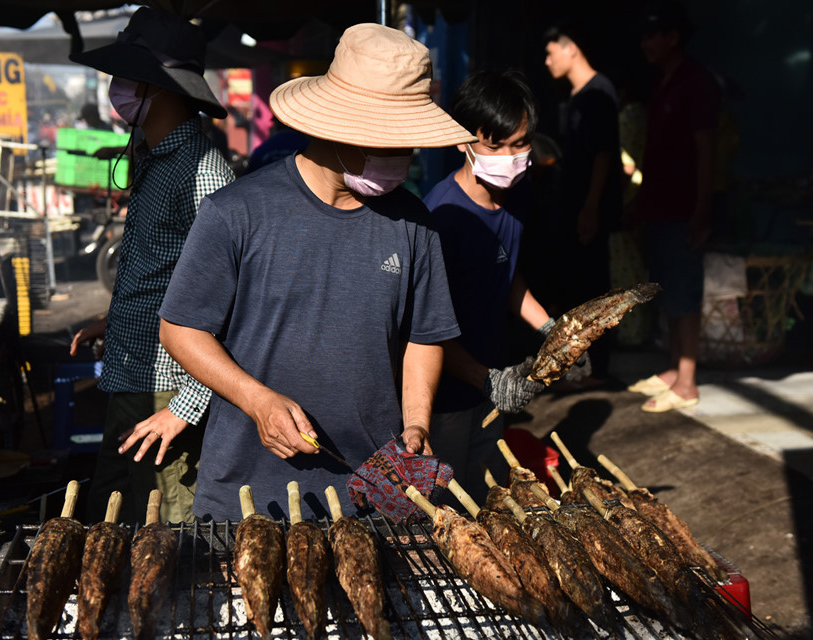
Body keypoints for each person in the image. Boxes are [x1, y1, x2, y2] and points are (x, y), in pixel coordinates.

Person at [124, 24, 542, 522]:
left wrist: (417, 423)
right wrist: (256, 401)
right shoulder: (236, 211)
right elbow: (180, 329)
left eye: (410, 144)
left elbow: (424, 336)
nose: (404, 159)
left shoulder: (414, 222)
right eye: (390, 143)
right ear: (337, 126)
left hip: (373, 495)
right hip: (248, 497)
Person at [67, 7, 234, 525]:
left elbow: (232, 305)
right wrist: (113, 320)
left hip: (170, 389)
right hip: (131, 375)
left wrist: (185, 407)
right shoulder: (152, 156)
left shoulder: (203, 172)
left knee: (166, 537)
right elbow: (163, 271)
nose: (116, 89)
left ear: (156, 87)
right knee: (110, 525)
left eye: (125, 77)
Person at [421, 69, 549, 504]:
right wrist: (487, 380)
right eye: (494, 146)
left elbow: (505, 274)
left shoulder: (515, 196)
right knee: (446, 512)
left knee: (490, 502)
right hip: (445, 402)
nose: (509, 158)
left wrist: (552, 329)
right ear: (462, 140)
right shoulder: (441, 219)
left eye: (520, 143)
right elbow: (425, 328)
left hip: (490, 391)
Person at [627, 0, 720, 412]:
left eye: (653, 36)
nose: (645, 44)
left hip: (684, 208)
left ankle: (687, 381)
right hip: (659, 207)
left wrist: (702, 209)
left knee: (685, 291)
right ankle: (673, 367)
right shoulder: (663, 82)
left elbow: (706, 149)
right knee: (666, 288)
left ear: (673, 38)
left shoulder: (696, 82)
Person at [543, 21, 624, 387]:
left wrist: (591, 207)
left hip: (587, 212)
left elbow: (605, 155)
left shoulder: (599, 93)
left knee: (592, 288)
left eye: (550, 53)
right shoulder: (578, 95)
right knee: (573, 287)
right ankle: (580, 367)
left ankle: (596, 370)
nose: (547, 61)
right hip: (572, 209)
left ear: (570, 47)